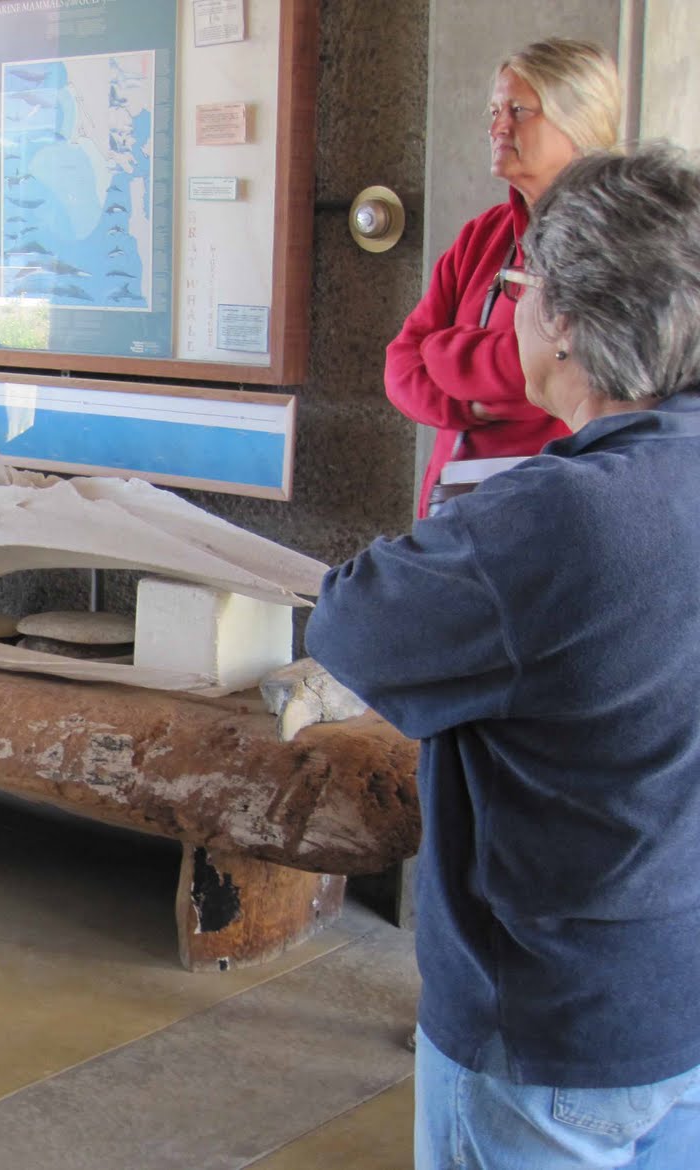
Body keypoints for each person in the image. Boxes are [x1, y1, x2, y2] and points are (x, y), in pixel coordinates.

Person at [307, 144, 700, 1167]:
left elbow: (351, 624)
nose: (509, 307)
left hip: (550, 1029)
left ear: (564, 320)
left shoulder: (559, 517)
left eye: (518, 287)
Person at [385, 39, 620, 517]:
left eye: (518, 109)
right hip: (452, 511)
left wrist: (444, 350)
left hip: (546, 512)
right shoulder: (485, 234)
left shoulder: (613, 239)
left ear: (577, 122)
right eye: (493, 110)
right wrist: (467, 407)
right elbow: (401, 364)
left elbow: (550, 366)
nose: (498, 126)